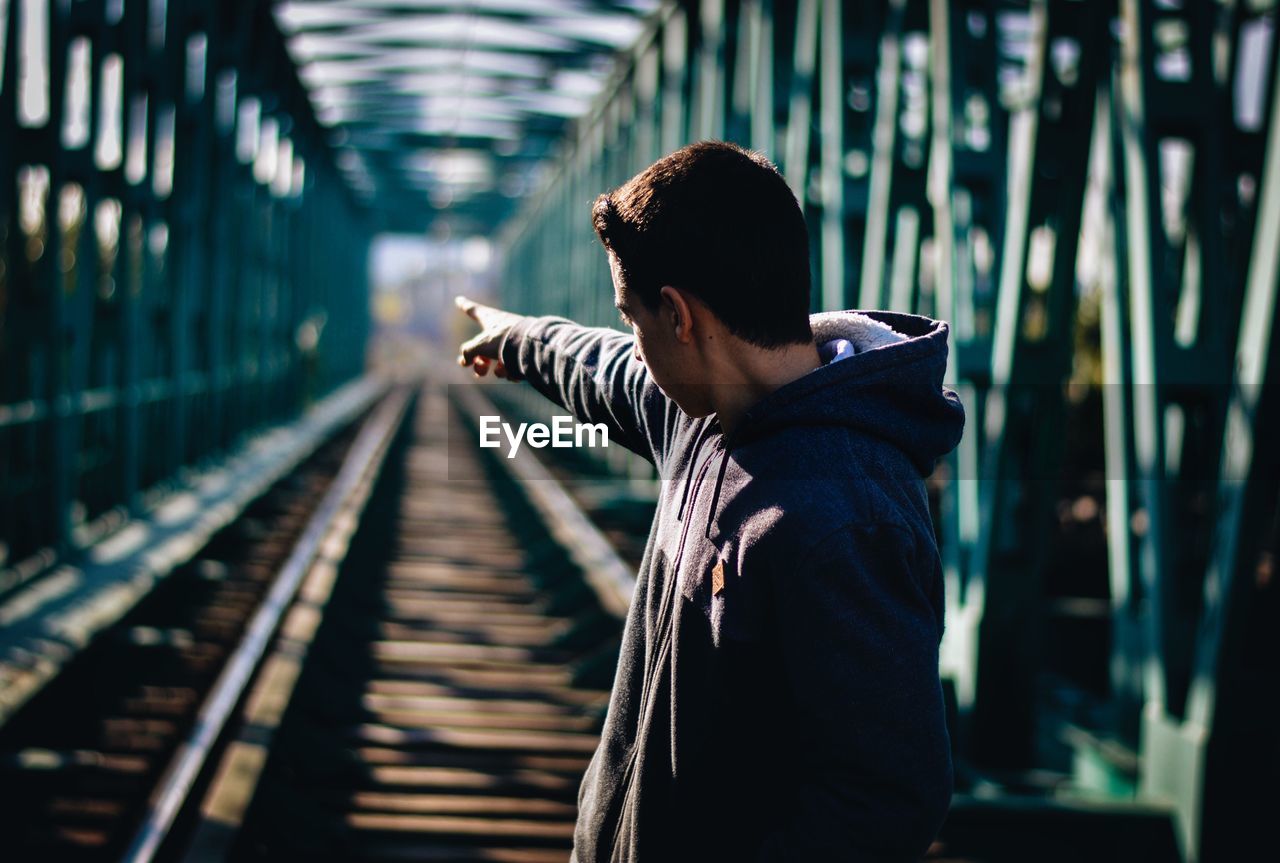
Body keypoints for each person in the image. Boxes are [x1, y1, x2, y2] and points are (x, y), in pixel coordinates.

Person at [455, 140, 964, 862]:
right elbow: (606, 370)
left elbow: (885, 798)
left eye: (634, 318)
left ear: (679, 315)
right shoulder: (705, 417)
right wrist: (523, 339)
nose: (634, 342)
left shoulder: (847, 516)